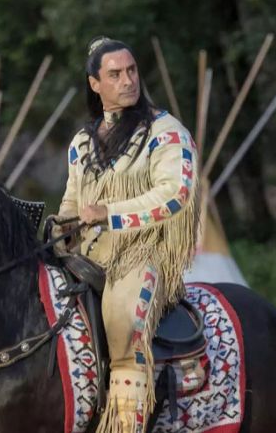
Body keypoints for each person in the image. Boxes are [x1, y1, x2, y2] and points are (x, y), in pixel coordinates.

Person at [56, 36, 200, 432]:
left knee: (123, 325)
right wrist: (62, 225)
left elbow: (176, 194)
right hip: (87, 258)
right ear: (95, 83)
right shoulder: (82, 143)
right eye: (115, 74)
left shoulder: (166, 132)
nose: (127, 81)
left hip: (144, 256)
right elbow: (72, 200)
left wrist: (109, 213)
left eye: (132, 71)